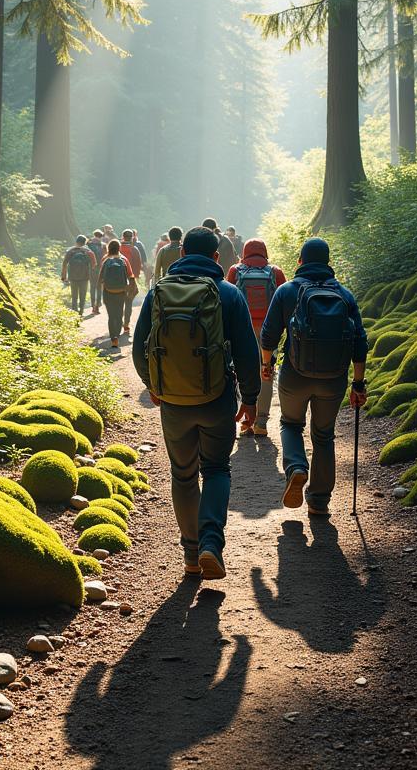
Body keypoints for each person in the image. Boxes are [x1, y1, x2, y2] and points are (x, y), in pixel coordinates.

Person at [133, 226, 261, 580]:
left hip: (173, 401)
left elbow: (138, 347)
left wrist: (153, 385)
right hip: (217, 397)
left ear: (181, 252)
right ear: (217, 257)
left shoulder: (157, 292)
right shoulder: (229, 293)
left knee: (183, 474)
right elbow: (248, 353)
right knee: (217, 469)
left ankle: (190, 555)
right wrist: (250, 399)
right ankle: (210, 543)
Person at [259, 238, 368, 517]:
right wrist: (358, 383)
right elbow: (359, 341)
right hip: (334, 379)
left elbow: (269, 334)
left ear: (300, 262)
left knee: (290, 424)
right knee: (324, 436)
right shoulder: (344, 294)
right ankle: (319, 502)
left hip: (295, 375)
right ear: (328, 262)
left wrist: (266, 364)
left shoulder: (286, 291)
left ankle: (296, 467)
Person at [227, 239, 287, 437]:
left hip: (242, 328)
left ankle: (247, 421)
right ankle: (261, 422)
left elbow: (228, 300)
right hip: (269, 329)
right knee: (266, 373)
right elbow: (284, 301)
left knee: (242, 372)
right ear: (264, 252)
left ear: (245, 253)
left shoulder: (235, 271)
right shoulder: (275, 272)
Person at [98, 239, 135, 349]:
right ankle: (116, 338)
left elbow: (100, 279)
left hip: (108, 291)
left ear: (109, 248)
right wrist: (131, 289)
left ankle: (113, 337)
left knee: (111, 316)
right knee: (119, 315)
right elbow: (131, 276)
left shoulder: (105, 259)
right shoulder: (124, 260)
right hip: (121, 292)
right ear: (119, 248)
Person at [62, 235, 97, 316]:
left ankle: (74, 311)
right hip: (84, 277)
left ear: (76, 241)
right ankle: (81, 311)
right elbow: (94, 264)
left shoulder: (70, 251)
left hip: (72, 277)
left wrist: (64, 277)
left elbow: (64, 264)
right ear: (84, 243)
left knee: (74, 295)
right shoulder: (88, 251)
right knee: (83, 294)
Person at [119, 230, 143, 334]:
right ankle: (126, 324)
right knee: (128, 302)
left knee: (118, 302)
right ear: (132, 237)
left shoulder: (117, 248)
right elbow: (138, 265)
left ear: (123, 236)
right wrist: (135, 277)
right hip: (130, 280)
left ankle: (119, 321)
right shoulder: (134, 249)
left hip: (117, 280)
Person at [87, 230, 106, 314]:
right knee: (99, 288)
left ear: (94, 235)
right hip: (100, 268)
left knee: (92, 287)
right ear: (101, 236)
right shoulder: (103, 246)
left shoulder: (88, 244)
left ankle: (92, 305)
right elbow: (106, 258)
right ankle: (97, 305)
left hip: (91, 268)